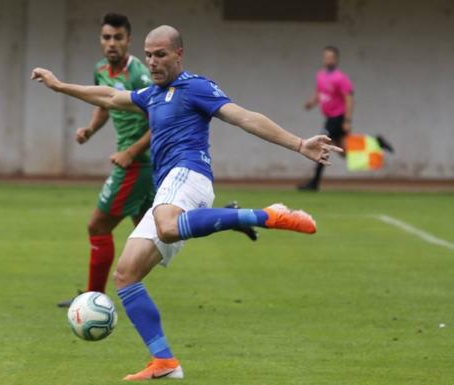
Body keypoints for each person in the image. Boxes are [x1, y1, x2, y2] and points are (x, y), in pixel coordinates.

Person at [32, 25, 342, 380]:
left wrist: (299, 144)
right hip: (169, 188)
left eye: (160, 54)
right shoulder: (151, 94)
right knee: (126, 275)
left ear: (179, 54)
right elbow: (110, 96)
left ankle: (266, 215)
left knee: (165, 227)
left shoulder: (196, 87)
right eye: (148, 55)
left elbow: (244, 117)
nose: (152, 61)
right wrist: (60, 86)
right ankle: (164, 361)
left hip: (189, 174)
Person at [56, 13, 155, 308]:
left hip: (139, 163)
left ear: (128, 40)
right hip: (139, 162)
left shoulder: (139, 75)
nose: (111, 43)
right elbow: (104, 104)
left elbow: (160, 120)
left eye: (118, 38)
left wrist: (131, 152)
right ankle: (224, 217)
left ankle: (93, 299)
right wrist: (89, 129)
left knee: (98, 226)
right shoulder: (101, 69)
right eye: (106, 37)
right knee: (151, 230)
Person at [299, 46, 393, 191]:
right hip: (329, 117)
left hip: (337, 117)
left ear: (336, 59)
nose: (327, 59)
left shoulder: (340, 78)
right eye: (326, 57)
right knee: (345, 152)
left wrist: (347, 120)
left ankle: (314, 183)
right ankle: (376, 142)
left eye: (331, 57)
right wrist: (311, 103)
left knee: (321, 145)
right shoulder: (320, 75)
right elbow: (320, 93)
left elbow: (349, 99)